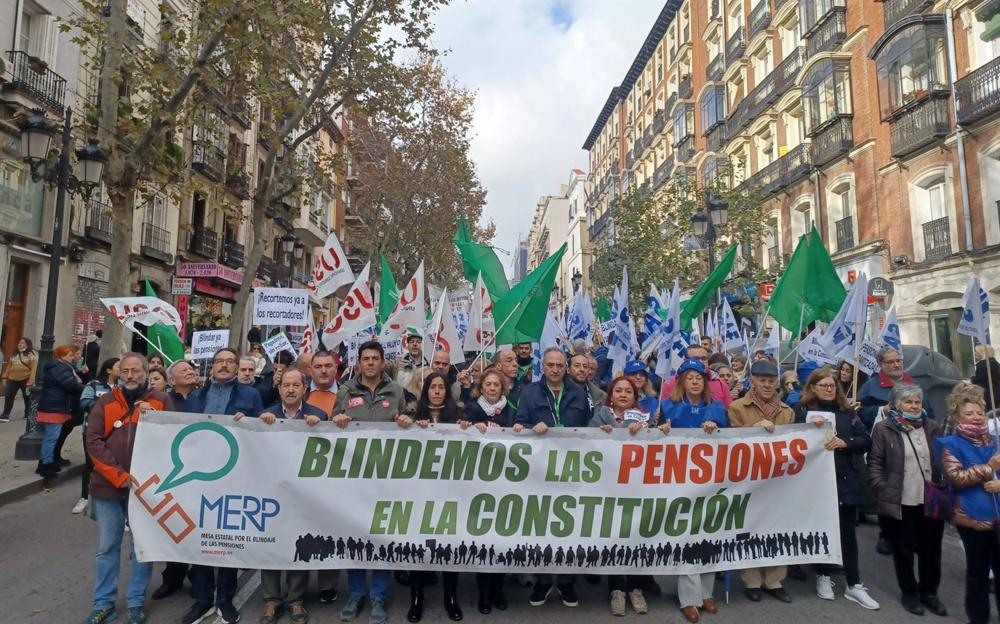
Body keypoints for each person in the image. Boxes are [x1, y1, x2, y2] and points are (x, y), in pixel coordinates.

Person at [83, 352, 174, 624]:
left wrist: (155, 417)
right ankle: (103, 604)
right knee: (107, 547)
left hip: (145, 489)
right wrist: (117, 475)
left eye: (136, 370)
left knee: (141, 547)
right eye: (126, 371)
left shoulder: (161, 401)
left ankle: (135, 602)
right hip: (109, 488)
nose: (131, 376)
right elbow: (93, 441)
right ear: (119, 374)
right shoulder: (106, 401)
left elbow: (175, 438)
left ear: (147, 372)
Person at [182, 347, 263, 624]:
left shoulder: (250, 395)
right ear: (212, 366)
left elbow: (263, 433)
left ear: (237, 367)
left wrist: (249, 423)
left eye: (231, 362)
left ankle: (225, 599)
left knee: (227, 539)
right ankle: (203, 599)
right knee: (201, 539)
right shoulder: (196, 396)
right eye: (220, 362)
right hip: (200, 477)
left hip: (234, 476)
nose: (225, 366)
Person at [333, 340, 411, 624]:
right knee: (355, 536)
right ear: (359, 362)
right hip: (353, 478)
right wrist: (337, 418)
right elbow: (330, 427)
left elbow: (410, 423)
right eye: (365, 358)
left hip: (385, 478)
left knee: (380, 537)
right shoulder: (345, 391)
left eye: (374, 358)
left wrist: (405, 420)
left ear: (381, 362)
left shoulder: (397, 391)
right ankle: (356, 593)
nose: (369, 363)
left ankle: (378, 595)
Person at [794, 368, 880, 610]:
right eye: (824, 385)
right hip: (815, 482)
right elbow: (790, 441)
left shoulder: (846, 412)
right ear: (812, 388)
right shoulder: (802, 411)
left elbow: (865, 440)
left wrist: (845, 442)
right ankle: (823, 575)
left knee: (847, 531)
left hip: (844, 479)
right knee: (821, 528)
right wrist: (810, 427)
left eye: (832, 385)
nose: (829, 389)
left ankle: (854, 583)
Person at [513, 348, 587, 608]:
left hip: (571, 471)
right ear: (542, 366)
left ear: (566, 368)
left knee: (568, 528)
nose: (555, 369)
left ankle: (566, 582)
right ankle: (544, 580)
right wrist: (532, 429)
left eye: (559, 365)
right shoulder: (530, 393)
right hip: (540, 472)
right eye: (550, 365)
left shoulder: (578, 393)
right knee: (542, 528)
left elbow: (589, 432)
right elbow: (519, 424)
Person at [250, 368, 324, 624]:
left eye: (296, 385)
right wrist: (258, 423)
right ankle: (271, 600)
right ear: (279, 389)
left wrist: (321, 428)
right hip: (271, 493)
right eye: (286, 385)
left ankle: (295, 600)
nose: (291, 389)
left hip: (303, 494)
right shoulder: (265, 415)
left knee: (298, 545)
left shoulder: (318, 415)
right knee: (270, 544)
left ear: (305, 389)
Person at [867, 383, 946, 616]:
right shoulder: (885, 428)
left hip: (930, 499)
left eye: (917, 402)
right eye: (908, 402)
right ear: (896, 404)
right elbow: (875, 463)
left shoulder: (932, 426)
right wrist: (882, 489)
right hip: (900, 499)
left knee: (932, 549)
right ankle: (909, 592)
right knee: (903, 548)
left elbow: (941, 459)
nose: (913, 406)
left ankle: (929, 592)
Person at [655, 360, 723, 622]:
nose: (695, 381)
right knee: (686, 536)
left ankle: (707, 593)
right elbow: (655, 440)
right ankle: (689, 598)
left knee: (710, 535)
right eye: (690, 377)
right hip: (679, 481)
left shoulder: (716, 407)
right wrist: (661, 431)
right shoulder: (669, 406)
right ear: (681, 381)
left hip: (710, 481)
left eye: (700, 378)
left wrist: (715, 430)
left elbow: (731, 440)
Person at [727, 359, 795, 603]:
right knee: (750, 527)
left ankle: (775, 580)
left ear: (777, 382)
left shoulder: (787, 411)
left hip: (777, 478)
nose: (767, 385)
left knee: (777, 527)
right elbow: (731, 441)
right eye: (762, 381)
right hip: (748, 477)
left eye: (771, 381)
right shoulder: (736, 407)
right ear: (752, 381)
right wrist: (753, 428)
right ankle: (752, 579)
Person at [858, 347, 934, 555]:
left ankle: (915, 536)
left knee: (915, 494)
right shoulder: (870, 387)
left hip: (915, 448)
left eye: (898, 360)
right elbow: (859, 413)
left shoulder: (915, 386)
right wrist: (879, 410)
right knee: (890, 494)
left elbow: (929, 415)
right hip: (887, 447)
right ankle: (888, 536)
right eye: (890, 361)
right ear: (881, 364)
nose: (896, 364)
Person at [935, 382, 1000, 624]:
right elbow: (958, 478)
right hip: (972, 516)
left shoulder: (996, 441)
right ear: (957, 417)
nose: (976, 418)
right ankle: (978, 617)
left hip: (998, 512)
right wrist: (989, 468)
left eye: (979, 413)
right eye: (969, 414)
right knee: (979, 572)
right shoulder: (950, 445)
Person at [589, 376, 653, 616]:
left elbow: (659, 445)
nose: (624, 395)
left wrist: (647, 432)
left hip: (638, 488)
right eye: (619, 391)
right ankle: (616, 589)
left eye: (628, 391)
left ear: (635, 397)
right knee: (614, 536)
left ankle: (636, 589)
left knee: (637, 536)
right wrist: (599, 433)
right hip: (608, 488)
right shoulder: (599, 418)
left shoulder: (645, 418)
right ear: (611, 395)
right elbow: (584, 444)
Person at [407, 372, 464, 622]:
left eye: (442, 387)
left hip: (450, 493)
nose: (438, 391)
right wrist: (404, 425)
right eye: (433, 387)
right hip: (420, 493)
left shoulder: (460, 417)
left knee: (450, 545)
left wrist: (472, 429)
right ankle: (416, 597)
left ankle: (450, 597)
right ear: (426, 390)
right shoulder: (413, 417)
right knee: (418, 546)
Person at [151, 359, 201, 602]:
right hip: (174, 472)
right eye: (184, 370)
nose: (190, 371)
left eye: (191, 369)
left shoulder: (204, 396)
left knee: (199, 525)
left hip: (202, 471)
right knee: (175, 527)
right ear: (171, 380)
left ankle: (197, 573)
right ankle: (172, 577)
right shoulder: (162, 401)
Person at [74, 357, 120, 515]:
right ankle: (84, 498)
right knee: (90, 465)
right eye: (119, 367)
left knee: (112, 464)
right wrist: (106, 407)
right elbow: (85, 402)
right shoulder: (93, 385)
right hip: (92, 431)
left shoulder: (123, 387)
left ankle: (108, 499)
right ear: (108, 369)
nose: (122, 370)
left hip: (116, 433)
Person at [35, 345, 84, 479]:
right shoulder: (61, 367)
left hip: (56, 406)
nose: (72, 356)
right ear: (62, 356)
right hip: (54, 407)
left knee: (53, 436)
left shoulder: (61, 367)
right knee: (51, 437)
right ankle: (45, 465)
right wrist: (87, 389)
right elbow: (70, 384)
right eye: (69, 354)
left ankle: (49, 461)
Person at [659, 345, 732, 408]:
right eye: (695, 358)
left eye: (704, 359)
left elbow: (728, 413)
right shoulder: (671, 383)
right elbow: (665, 412)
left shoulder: (720, 384)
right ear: (685, 360)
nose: (700, 362)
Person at [1, 337, 37, 422]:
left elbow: (33, 368)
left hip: (25, 379)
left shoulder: (31, 355)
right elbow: (9, 367)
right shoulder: (14, 355)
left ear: (27, 345)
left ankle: (27, 413)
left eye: (22, 343)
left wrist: (31, 380)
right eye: (19, 343)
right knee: (9, 395)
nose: (20, 345)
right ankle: (6, 414)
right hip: (12, 378)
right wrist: (4, 377)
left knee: (27, 396)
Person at [971, 345, 1000, 412]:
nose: (975, 353)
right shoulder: (995, 363)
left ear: (982, 352)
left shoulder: (983, 364)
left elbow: (981, 380)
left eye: (976, 351)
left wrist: (971, 380)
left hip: (988, 396)